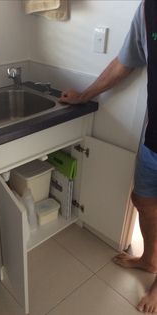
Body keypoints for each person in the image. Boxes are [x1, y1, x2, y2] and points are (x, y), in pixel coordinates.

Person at [59, 0, 157, 313]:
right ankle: (149, 259)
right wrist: (84, 95)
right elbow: (124, 62)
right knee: (143, 200)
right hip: (153, 136)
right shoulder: (148, 9)